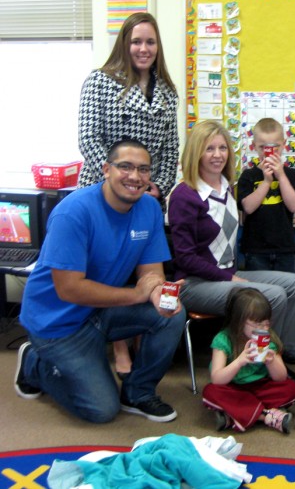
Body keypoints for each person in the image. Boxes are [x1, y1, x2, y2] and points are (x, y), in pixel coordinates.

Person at [14, 139, 186, 423]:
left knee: (170, 314)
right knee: (101, 410)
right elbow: (68, 288)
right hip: (57, 323)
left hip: (99, 311)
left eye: (143, 169)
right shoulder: (74, 212)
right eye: (125, 167)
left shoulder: (149, 208)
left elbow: (151, 274)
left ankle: (138, 393)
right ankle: (34, 363)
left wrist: (158, 293)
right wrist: (137, 295)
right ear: (106, 169)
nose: (135, 176)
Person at [77, 12, 179, 378]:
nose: (143, 48)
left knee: (144, 268)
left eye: (150, 42)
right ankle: (118, 347)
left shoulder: (167, 91)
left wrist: (157, 187)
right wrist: (120, 180)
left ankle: (140, 337)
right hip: (102, 192)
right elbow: (89, 138)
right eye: (136, 41)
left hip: (147, 196)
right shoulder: (100, 82)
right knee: (108, 270)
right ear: (124, 43)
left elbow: (170, 149)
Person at [168, 120, 295, 364]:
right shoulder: (184, 194)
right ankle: (263, 361)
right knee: (273, 295)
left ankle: (286, 353)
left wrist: (231, 276)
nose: (218, 155)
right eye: (209, 149)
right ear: (195, 152)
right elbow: (185, 258)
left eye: (222, 148)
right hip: (195, 284)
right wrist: (231, 279)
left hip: (226, 276)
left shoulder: (225, 187)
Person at [202, 288, 295, 434]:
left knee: (291, 388)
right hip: (232, 387)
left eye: (266, 324)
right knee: (210, 392)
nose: (263, 328)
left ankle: (234, 415)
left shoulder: (268, 339)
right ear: (239, 322)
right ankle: (265, 416)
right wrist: (239, 361)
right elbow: (217, 379)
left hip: (260, 386)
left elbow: (281, 378)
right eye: (257, 324)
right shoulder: (223, 339)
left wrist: (271, 361)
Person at [238, 117, 295, 273]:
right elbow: (248, 208)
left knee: (285, 291)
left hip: (285, 248)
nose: (269, 152)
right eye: (263, 147)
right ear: (254, 146)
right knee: (257, 294)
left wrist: (280, 176)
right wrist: (266, 181)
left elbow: (294, 205)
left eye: (274, 147)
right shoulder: (248, 175)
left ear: (284, 144)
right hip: (255, 249)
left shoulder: (293, 175)